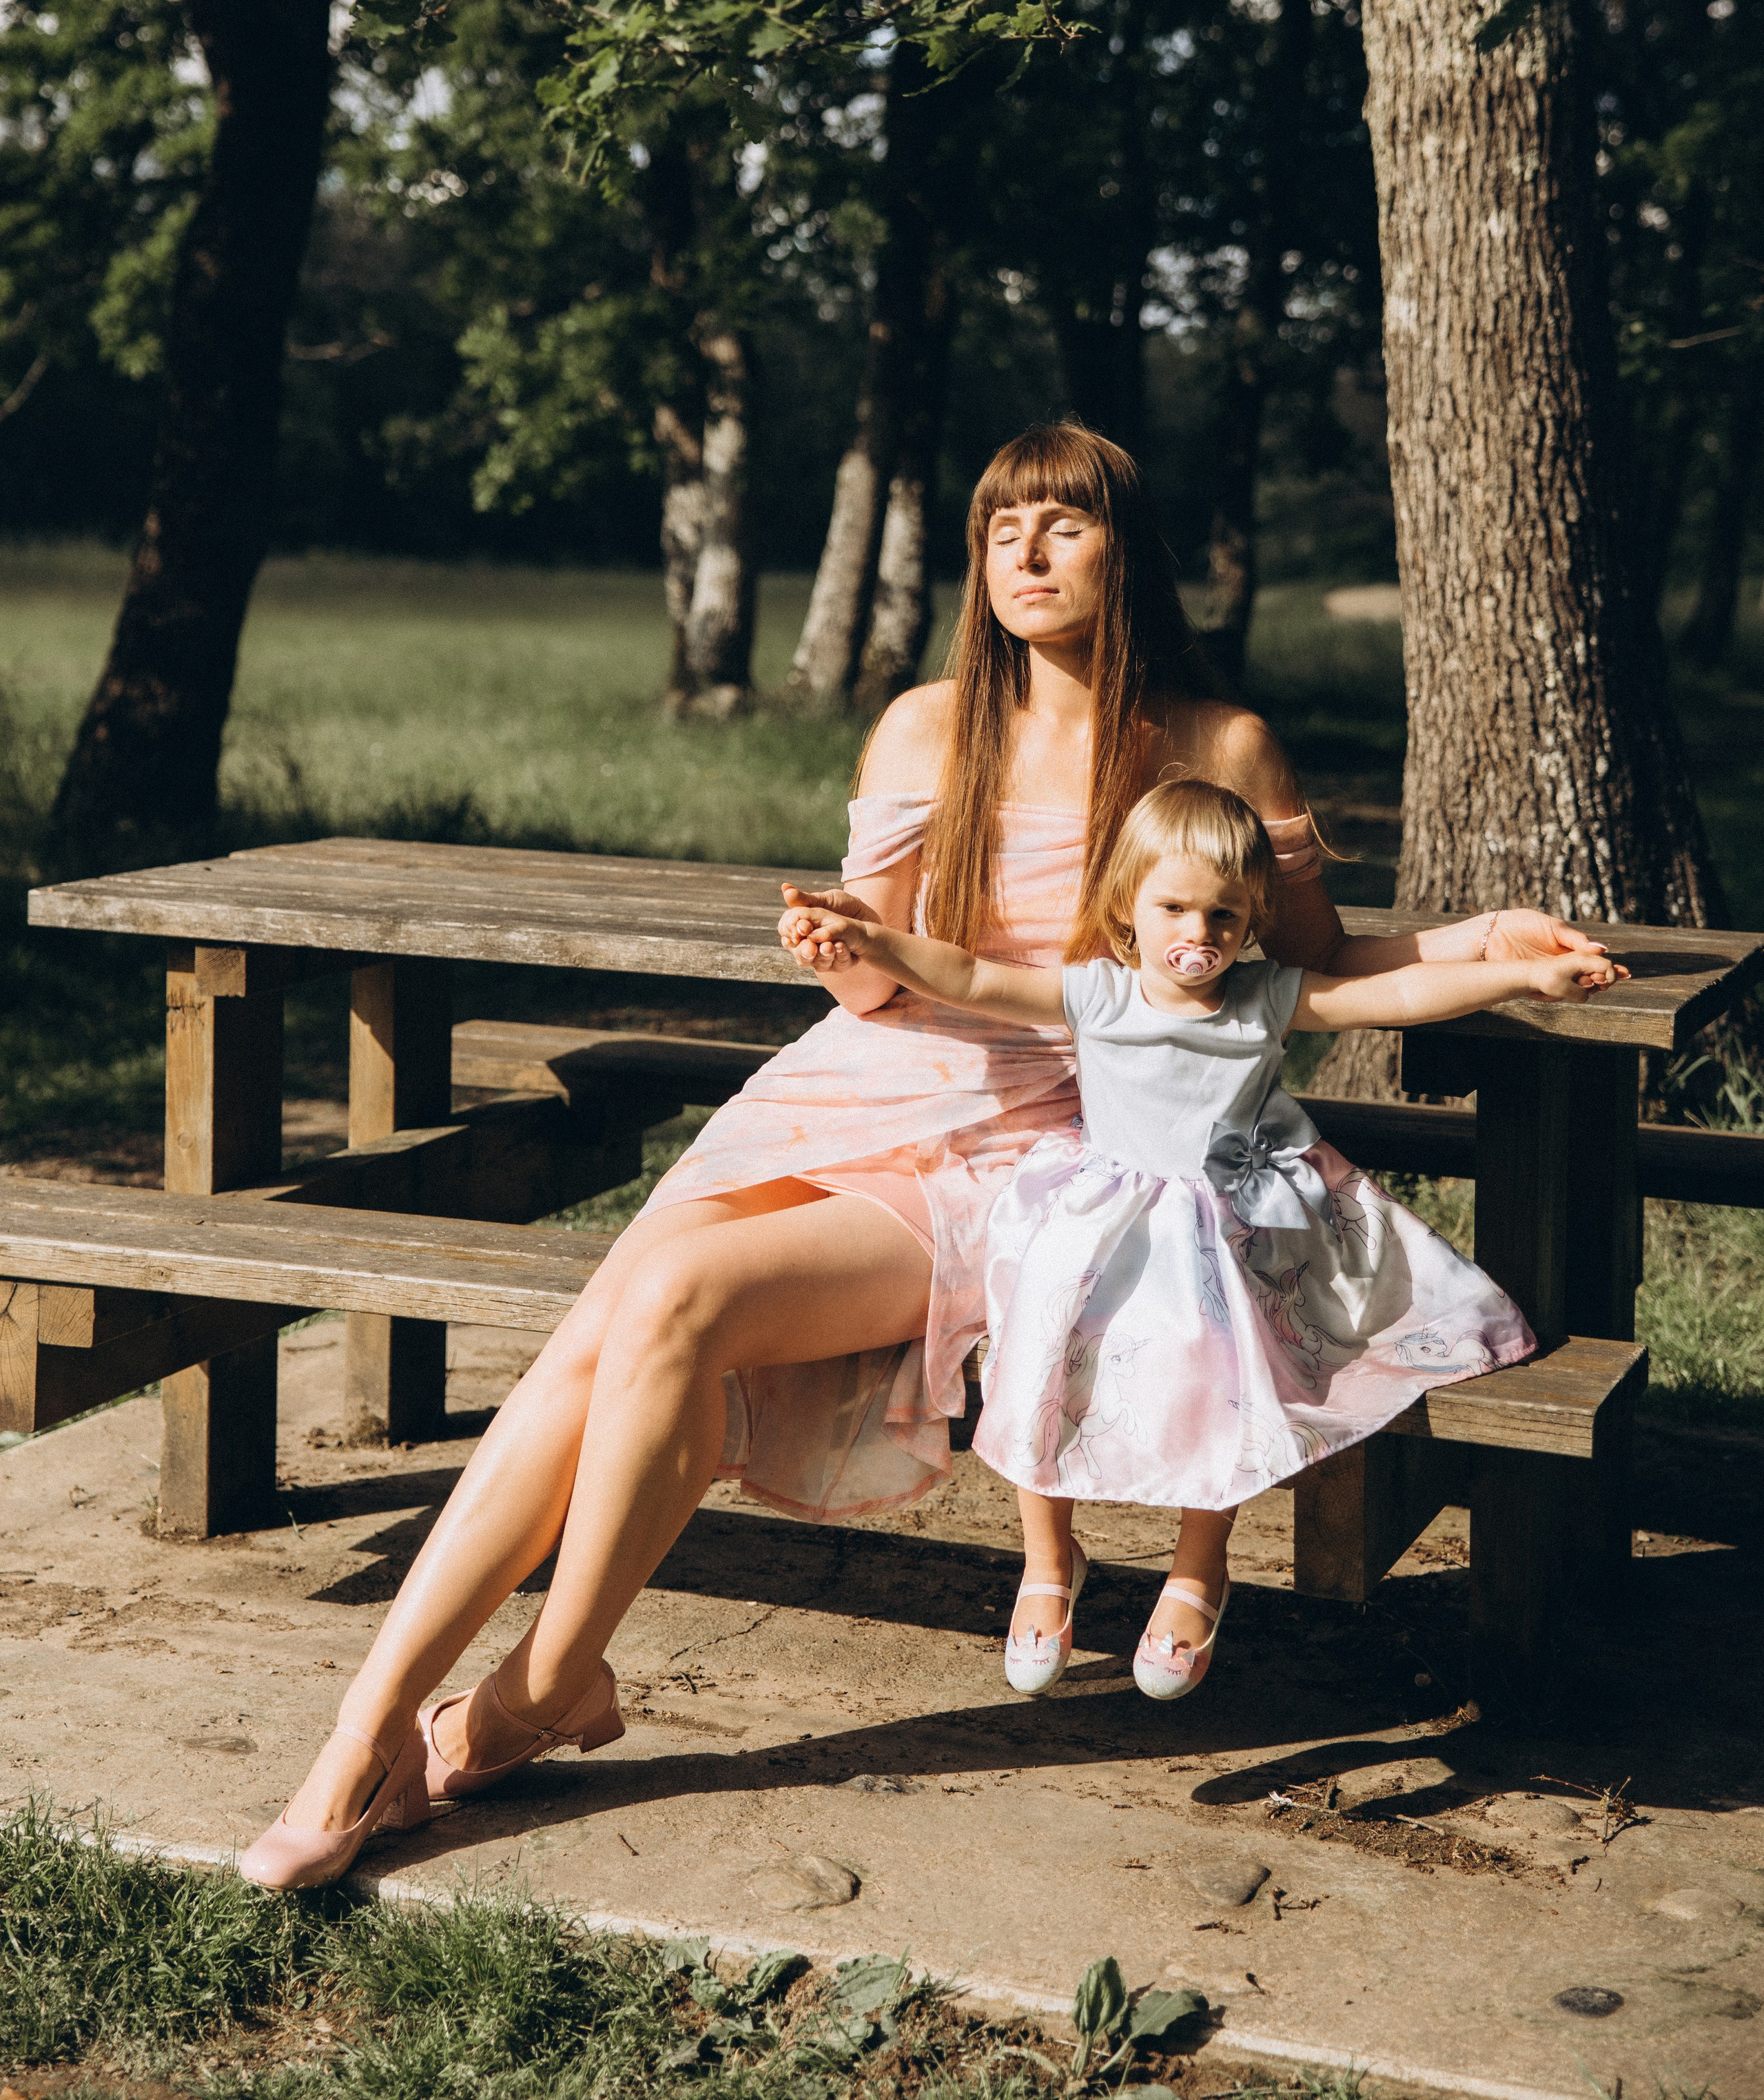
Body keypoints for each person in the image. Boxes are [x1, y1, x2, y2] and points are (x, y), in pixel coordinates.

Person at [242, 422, 1613, 1888]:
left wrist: (1482, 946)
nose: (1024, 551)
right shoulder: (921, 726)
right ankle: (381, 1716)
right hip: (856, 1084)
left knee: (669, 1303)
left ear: (1120, 547)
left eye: (1062, 524)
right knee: (608, 1329)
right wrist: (838, 948)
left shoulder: (1218, 747)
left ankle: (530, 1691)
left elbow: (1317, 963)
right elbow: (886, 985)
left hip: (1047, 1139)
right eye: (1000, 524)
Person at [780, 776, 1620, 1703]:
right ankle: (1048, 1561)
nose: (1200, 934)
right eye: (1174, 906)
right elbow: (971, 977)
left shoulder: (1263, 999)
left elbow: (1396, 992)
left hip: (1231, 1206)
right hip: (1107, 1204)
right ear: (1126, 909)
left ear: (1253, 919)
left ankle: (1198, 1566)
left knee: (1215, 1351)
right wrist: (866, 939)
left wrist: (1519, 974)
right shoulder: (1098, 993)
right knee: (1036, 1340)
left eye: (1224, 916)